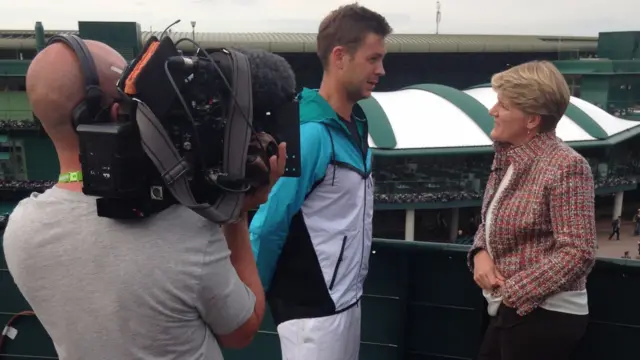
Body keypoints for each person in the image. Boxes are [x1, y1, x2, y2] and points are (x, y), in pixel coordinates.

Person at [2, 38, 286, 360]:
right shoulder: (184, 227)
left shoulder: (20, 230)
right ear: (114, 114)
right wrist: (234, 212)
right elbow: (242, 330)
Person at [249, 4, 392, 360]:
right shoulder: (310, 133)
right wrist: (248, 304)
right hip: (311, 314)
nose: (381, 70)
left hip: (345, 303)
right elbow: (268, 225)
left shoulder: (355, 126)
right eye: (373, 59)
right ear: (340, 56)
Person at [467, 60, 597, 360]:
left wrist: (513, 293)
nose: (493, 111)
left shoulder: (567, 166)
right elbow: (490, 220)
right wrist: (479, 253)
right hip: (512, 312)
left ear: (531, 120)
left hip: (546, 316)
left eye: (504, 105)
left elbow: (579, 250)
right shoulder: (506, 157)